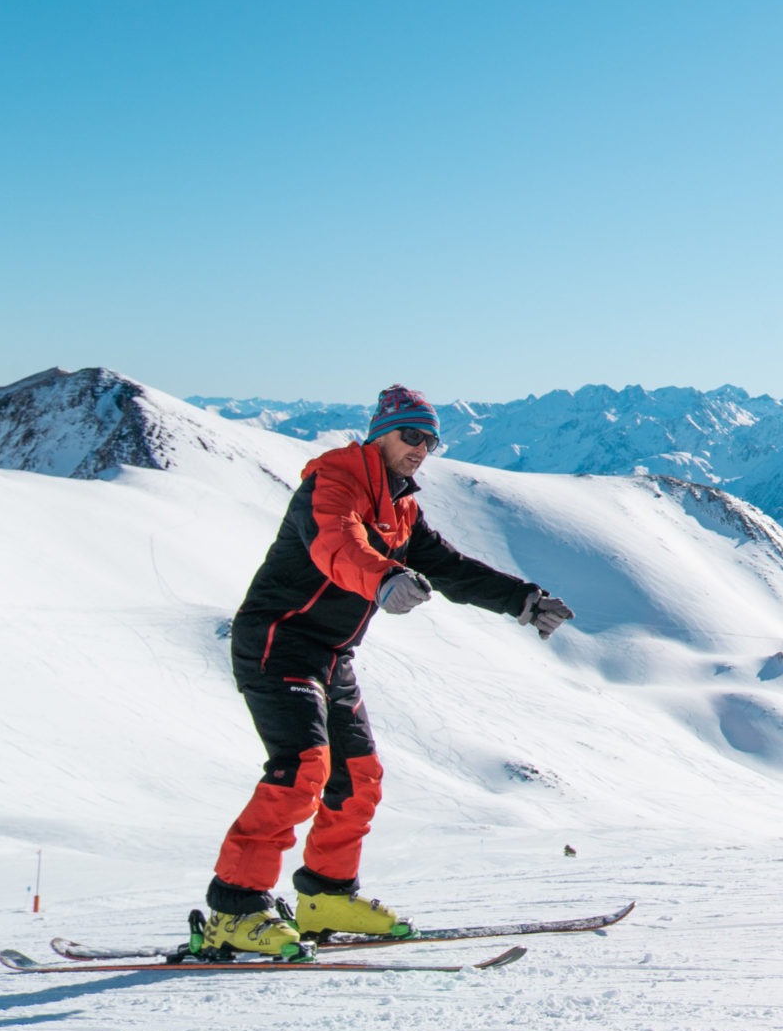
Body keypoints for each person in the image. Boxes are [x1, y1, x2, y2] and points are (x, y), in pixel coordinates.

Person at [201, 385, 576, 959]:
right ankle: (234, 909)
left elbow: (448, 566)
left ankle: (326, 896)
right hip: (278, 642)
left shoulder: (400, 507)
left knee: (359, 778)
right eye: (411, 435)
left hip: (333, 655)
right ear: (380, 435)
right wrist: (383, 578)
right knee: (302, 770)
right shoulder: (333, 482)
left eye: (431, 441)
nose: (421, 449)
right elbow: (337, 542)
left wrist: (523, 599)